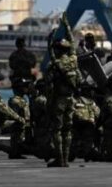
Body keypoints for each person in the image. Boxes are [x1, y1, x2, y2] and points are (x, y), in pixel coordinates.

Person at [45, 19, 81, 167]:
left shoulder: (55, 64)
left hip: (59, 100)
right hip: (71, 99)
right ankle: (65, 159)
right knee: (68, 130)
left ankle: (59, 159)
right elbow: (72, 44)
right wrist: (67, 26)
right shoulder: (74, 60)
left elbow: (48, 84)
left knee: (56, 130)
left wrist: (49, 42)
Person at [8, 77, 32, 159]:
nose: (27, 88)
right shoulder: (15, 100)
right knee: (17, 138)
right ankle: (14, 152)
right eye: (24, 86)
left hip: (23, 127)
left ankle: (16, 151)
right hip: (18, 127)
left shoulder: (22, 99)